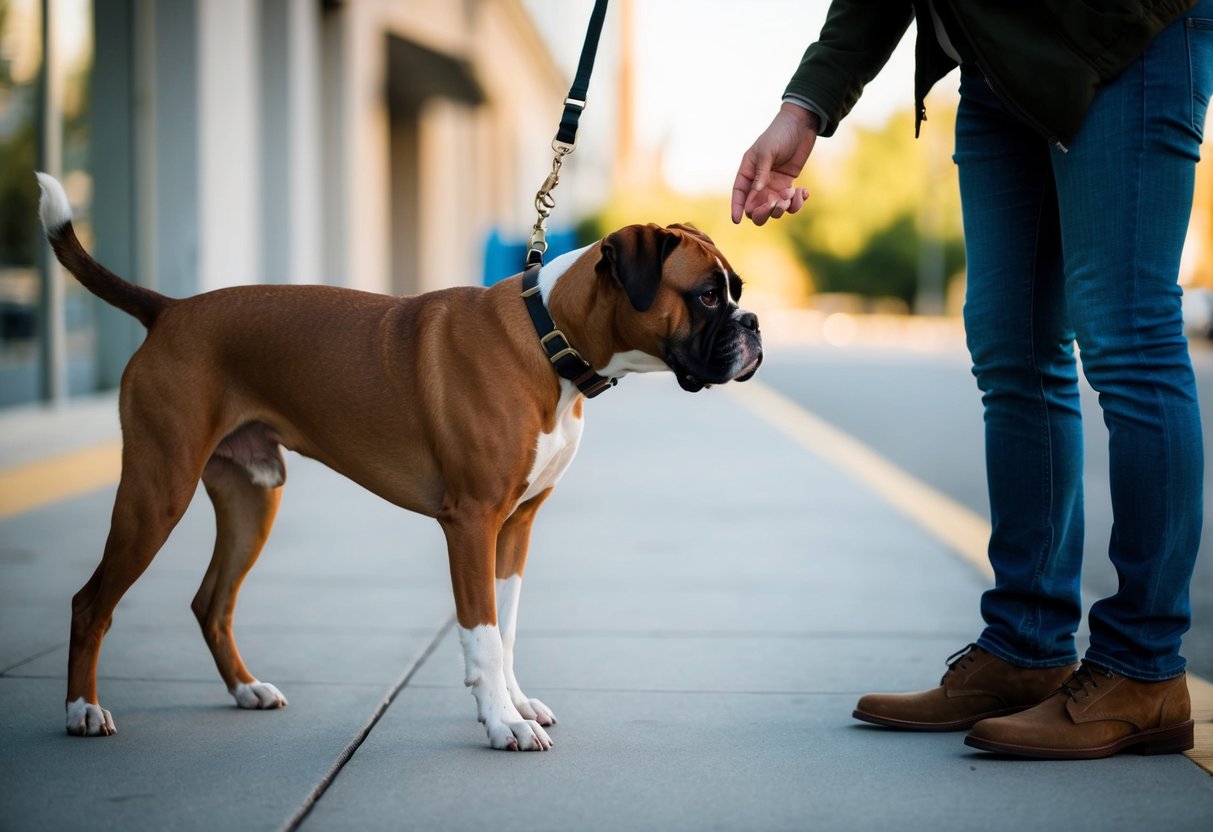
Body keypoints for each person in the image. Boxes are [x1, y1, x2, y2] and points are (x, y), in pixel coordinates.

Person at [733, 0, 1212, 759]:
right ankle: (1024, 646)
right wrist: (808, 104)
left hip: (1122, 31)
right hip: (997, 61)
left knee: (1127, 335)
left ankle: (1142, 669)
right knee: (1010, 347)